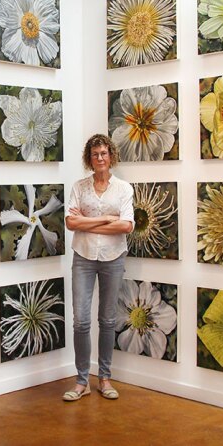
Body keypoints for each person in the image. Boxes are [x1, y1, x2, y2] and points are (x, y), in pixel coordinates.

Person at [62, 134, 133, 401]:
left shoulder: (124, 189)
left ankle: (104, 378)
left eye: (104, 153)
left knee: (107, 320)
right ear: (89, 159)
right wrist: (105, 218)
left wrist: (87, 220)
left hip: (114, 257)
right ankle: (82, 381)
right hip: (83, 256)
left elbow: (126, 226)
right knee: (80, 321)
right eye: (95, 154)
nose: (100, 158)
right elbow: (71, 223)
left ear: (111, 156)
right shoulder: (79, 187)